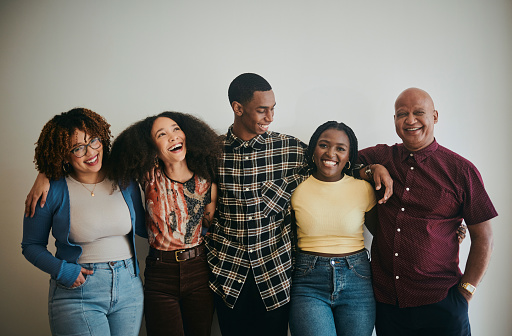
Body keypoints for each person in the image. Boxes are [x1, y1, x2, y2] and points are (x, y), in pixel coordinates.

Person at [358, 88, 497, 335]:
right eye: (402, 114)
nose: (410, 120)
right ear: (394, 121)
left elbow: (483, 236)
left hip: (442, 302)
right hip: (388, 304)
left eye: (418, 113)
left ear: (434, 116)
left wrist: (467, 291)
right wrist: (371, 170)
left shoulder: (461, 170)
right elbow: (339, 162)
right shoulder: (381, 156)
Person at [22, 108, 145, 336]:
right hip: (78, 292)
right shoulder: (50, 190)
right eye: (77, 148)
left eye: (93, 141)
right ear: (64, 154)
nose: (90, 152)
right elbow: (30, 246)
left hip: (129, 288)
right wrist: (62, 270)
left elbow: (148, 228)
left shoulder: (124, 180)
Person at [204, 73, 309, 336]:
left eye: (273, 109)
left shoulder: (292, 150)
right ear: (237, 108)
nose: (270, 118)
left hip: (275, 274)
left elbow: (338, 163)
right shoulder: (211, 153)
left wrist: (370, 169)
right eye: (262, 110)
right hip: (227, 274)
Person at [108, 111, 222, 336]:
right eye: (162, 134)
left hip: (199, 269)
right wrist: (44, 175)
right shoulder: (147, 176)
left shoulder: (207, 180)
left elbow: (209, 224)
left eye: (176, 129)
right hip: (160, 274)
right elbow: (109, 162)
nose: (172, 137)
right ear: (151, 146)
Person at [289, 121, 378, 336]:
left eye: (340, 148)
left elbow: (385, 233)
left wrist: (449, 232)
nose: (331, 153)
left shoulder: (364, 189)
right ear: (313, 150)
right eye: (324, 145)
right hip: (308, 280)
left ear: (349, 156)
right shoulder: (295, 188)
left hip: (357, 279)